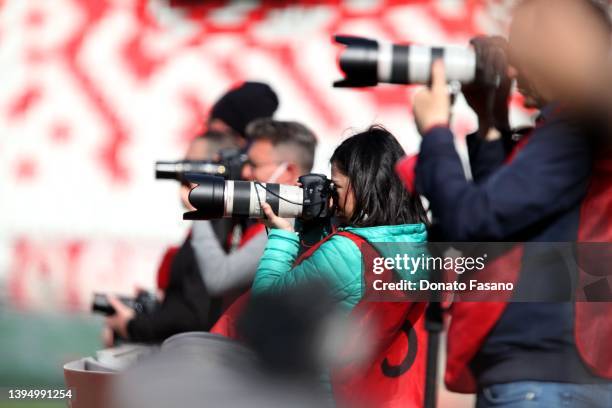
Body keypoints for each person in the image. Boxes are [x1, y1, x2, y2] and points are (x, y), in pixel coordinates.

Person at [401, 1, 612, 406]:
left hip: (547, 378)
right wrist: (490, 121)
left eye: (524, 51)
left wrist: (436, 133)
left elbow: (473, 221)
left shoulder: (571, 133)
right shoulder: (576, 130)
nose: (512, 71)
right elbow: (503, 215)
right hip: (550, 373)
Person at [253, 126, 429, 407]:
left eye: (335, 187)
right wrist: (314, 235)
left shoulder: (349, 252)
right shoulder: (417, 243)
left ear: (361, 185)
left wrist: (282, 236)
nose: (331, 199)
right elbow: (348, 294)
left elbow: (266, 309)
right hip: (388, 394)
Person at [190, 118, 318, 298]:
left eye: (254, 165)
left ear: (288, 171)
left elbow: (219, 279)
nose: (245, 172)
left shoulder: (287, 227)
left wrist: (198, 207)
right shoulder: (260, 219)